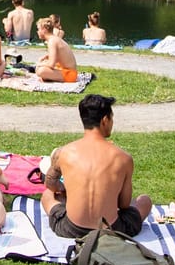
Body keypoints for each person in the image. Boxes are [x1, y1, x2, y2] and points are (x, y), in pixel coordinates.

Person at [39, 95, 151, 240]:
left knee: (47, 196)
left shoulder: (64, 153)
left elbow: (50, 185)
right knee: (144, 201)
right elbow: (123, 204)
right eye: (112, 118)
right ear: (105, 120)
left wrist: (66, 191)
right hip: (112, 231)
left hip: (71, 229)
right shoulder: (123, 158)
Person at [34, 16, 80, 83]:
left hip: (70, 75)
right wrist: (46, 58)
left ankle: (49, 77)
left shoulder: (52, 41)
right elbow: (56, 57)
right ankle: (49, 77)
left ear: (44, 29)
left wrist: (39, 64)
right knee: (41, 66)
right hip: (68, 71)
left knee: (40, 71)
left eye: (38, 29)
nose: (37, 31)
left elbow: (51, 64)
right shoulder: (54, 39)